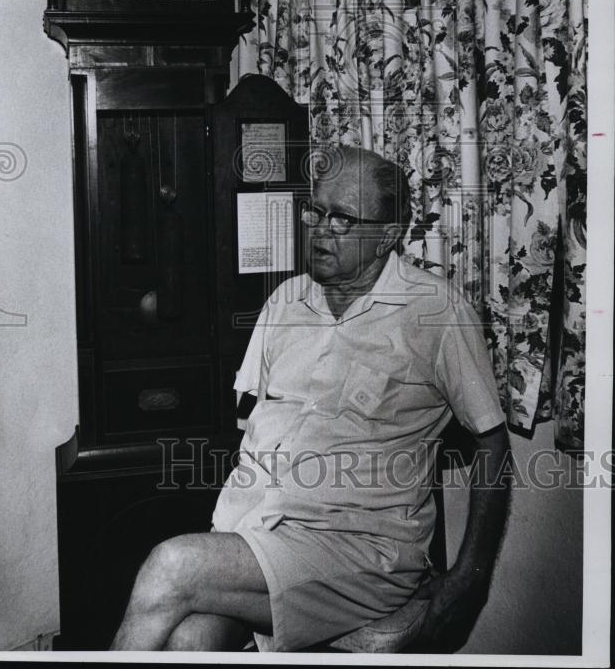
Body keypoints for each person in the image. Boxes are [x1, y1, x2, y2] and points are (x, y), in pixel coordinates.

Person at [111, 146, 511, 652]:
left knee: (172, 565)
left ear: (387, 235)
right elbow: (251, 430)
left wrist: (469, 577)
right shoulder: (284, 302)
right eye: (315, 211)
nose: (321, 229)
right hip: (261, 529)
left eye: (342, 218)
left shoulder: (436, 312)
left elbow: (492, 444)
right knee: (190, 639)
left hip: (359, 550)